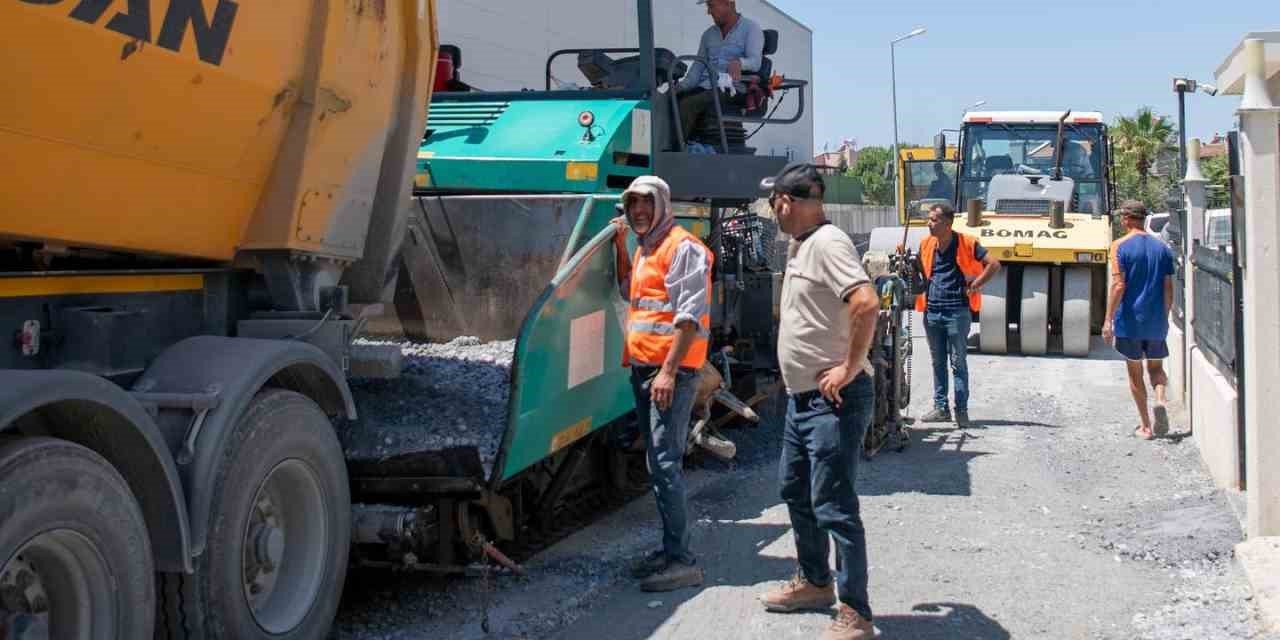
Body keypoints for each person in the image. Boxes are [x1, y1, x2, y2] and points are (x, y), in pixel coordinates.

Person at [756, 163, 883, 640]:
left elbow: (866, 303)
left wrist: (849, 367)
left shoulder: (827, 244)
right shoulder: (802, 244)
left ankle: (856, 613)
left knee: (834, 504)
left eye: (775, 206)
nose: (775, 214)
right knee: (797, 490)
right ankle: (814, 581)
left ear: (786, 202)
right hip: (802, 400)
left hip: (834, 400)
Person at [611, 175, 713, 592]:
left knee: (665, 464)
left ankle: (682, 560)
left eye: (645, 203)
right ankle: (672, 550)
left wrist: (669, 371)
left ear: (662, 205)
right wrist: (619, 248)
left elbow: (688, 316)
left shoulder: (682, 247)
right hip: (646, 369)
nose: (638, 211)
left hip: (668, 372)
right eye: (632, 203)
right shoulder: (647, 248)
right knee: (658, 463)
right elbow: (628, 291)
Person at [916, 203, 1001, 428]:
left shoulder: (967, 243)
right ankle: (941, 408)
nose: (929, 223)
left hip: (957, 312)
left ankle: (961, 411)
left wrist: (975, 286)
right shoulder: (926, 244)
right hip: (932, 311)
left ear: (947, 223)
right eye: (929, 219)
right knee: (937, 362)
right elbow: (919, 274)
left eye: (934, 219)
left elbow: (994, 265)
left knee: (957, 363)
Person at [1103, 200, 1175, 440]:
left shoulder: (1119, 246)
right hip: (1156, 321)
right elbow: (1168, 287)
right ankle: (1161, 400)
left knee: (1135, 373)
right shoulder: (1163, 248)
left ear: (1126, 219)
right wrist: (1164, 317)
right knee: (1156, 369)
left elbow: (1118, 286)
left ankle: (1146, 426)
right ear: (1144, 218)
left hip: (1130, 321)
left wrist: (1107, 320)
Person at [674, 0, 765, 142]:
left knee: (688, 104)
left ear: (729, 3)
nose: (708, 12)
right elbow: (697, 68)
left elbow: (756, 62)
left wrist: (740, 63)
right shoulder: (708, 35)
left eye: (711, 5)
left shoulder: (751, 28)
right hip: (706, 87)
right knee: (669, 100)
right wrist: (679, 87)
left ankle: (678, 153)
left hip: (732, 88)